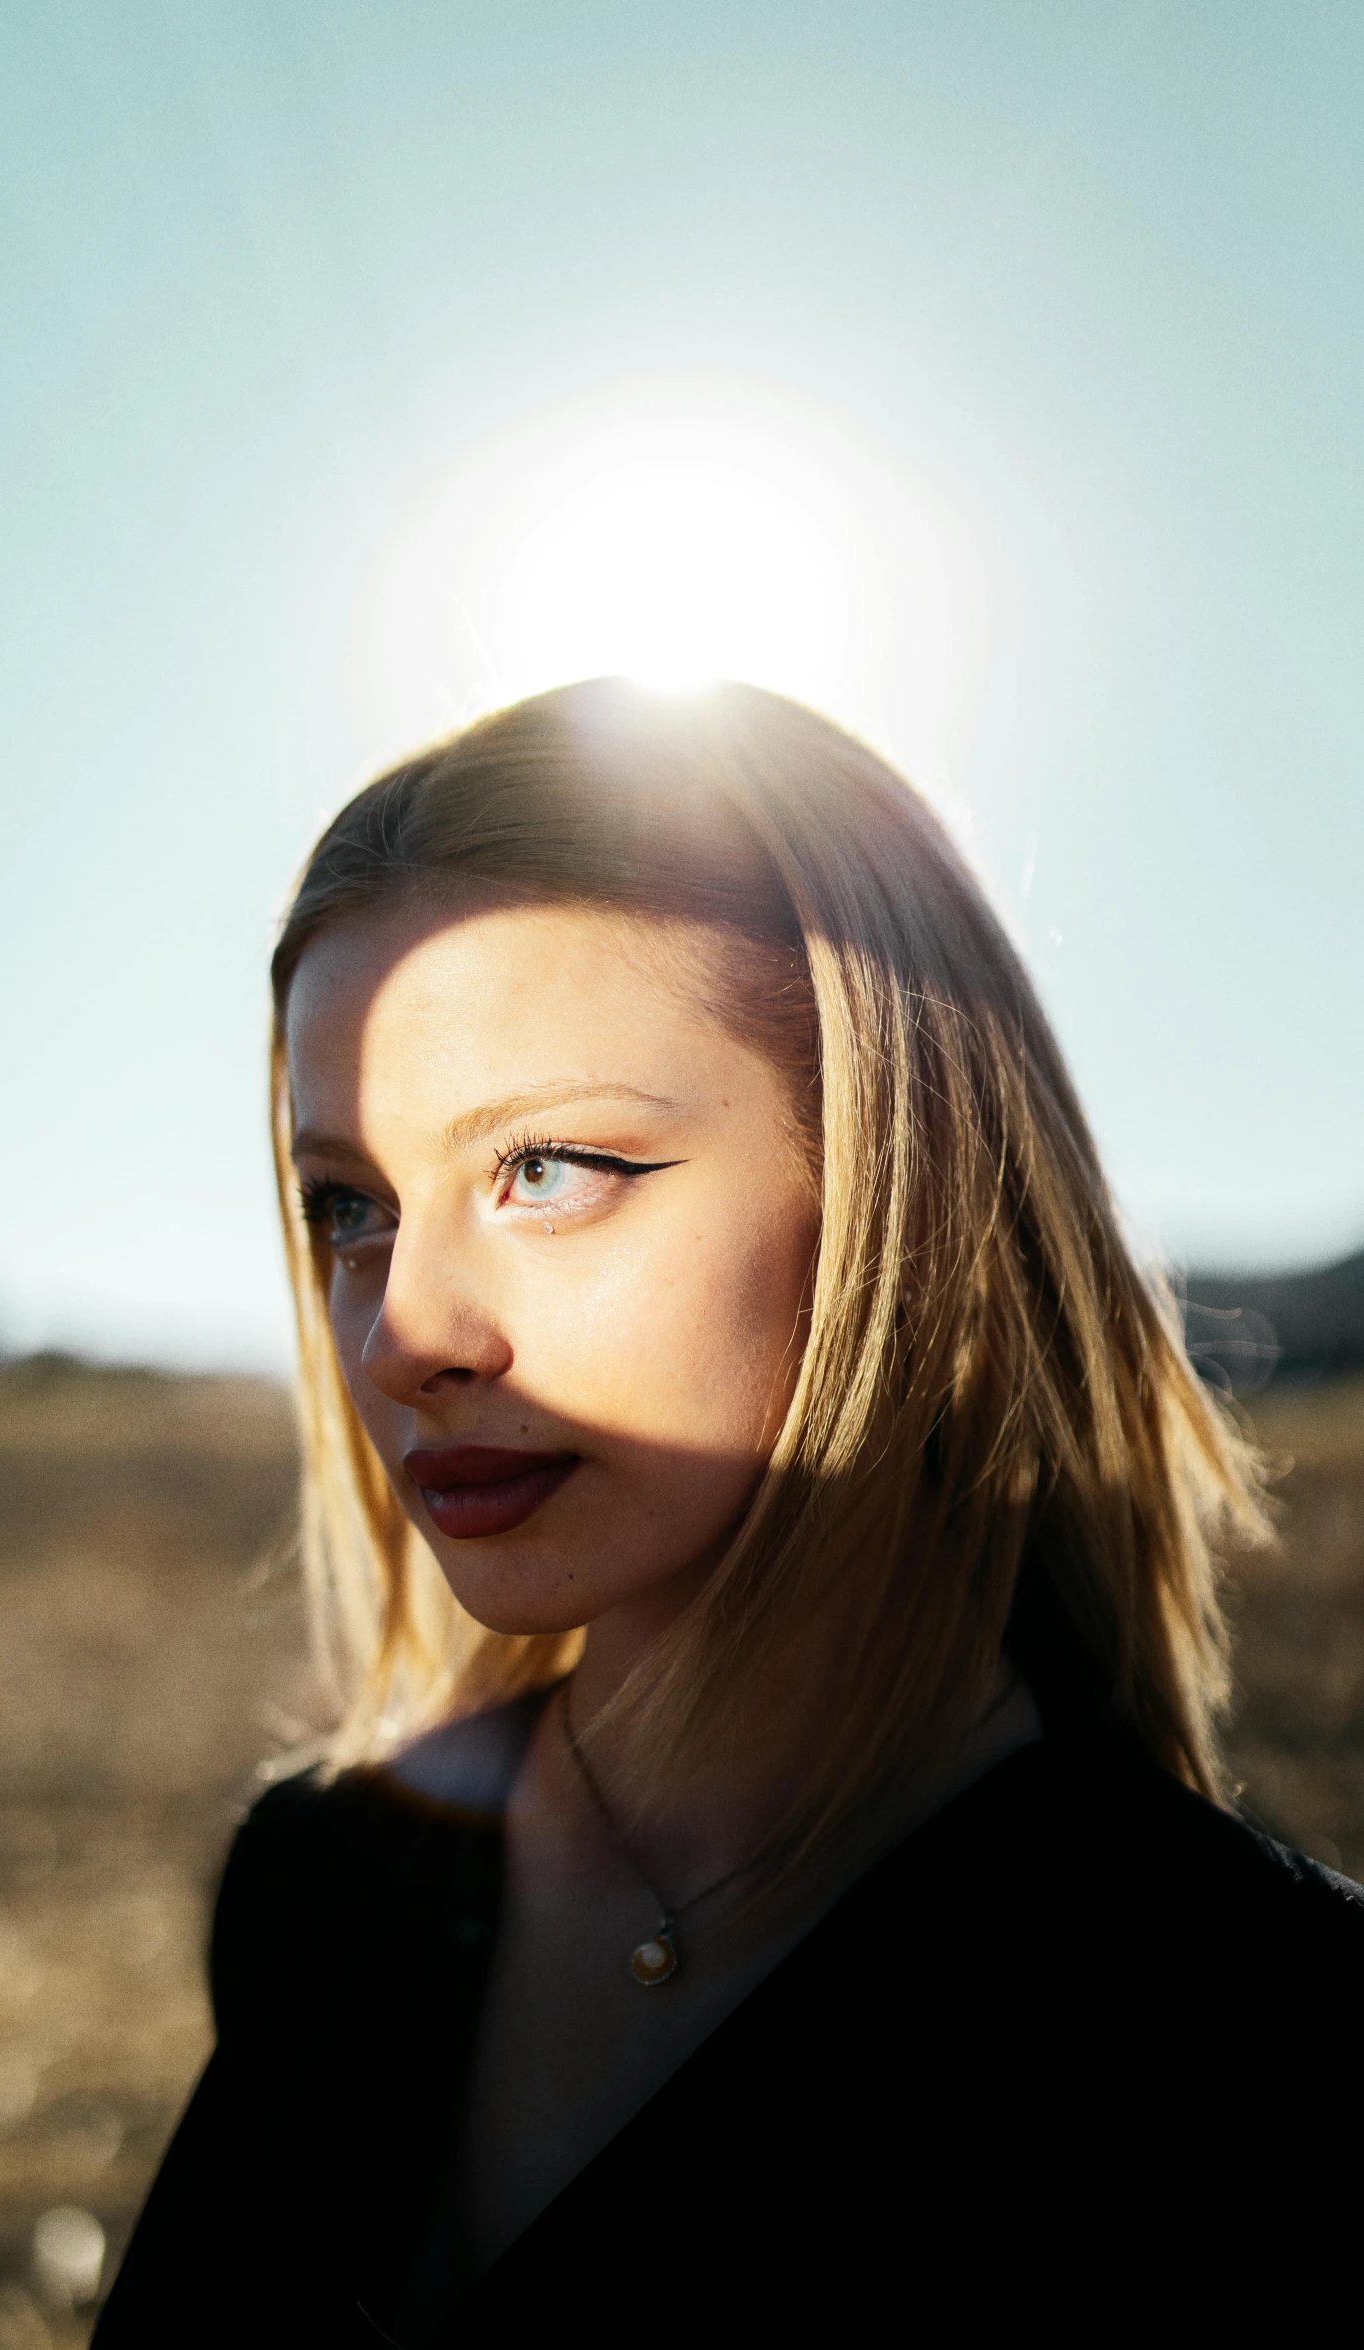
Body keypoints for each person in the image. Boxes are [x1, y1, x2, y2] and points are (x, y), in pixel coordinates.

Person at [93, 679, 1360, 2346]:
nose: (400, 1328)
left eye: (544, 1165)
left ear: (902, 1178)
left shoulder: (1251, 2036)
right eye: (352, 1204)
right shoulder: (326, 1881)